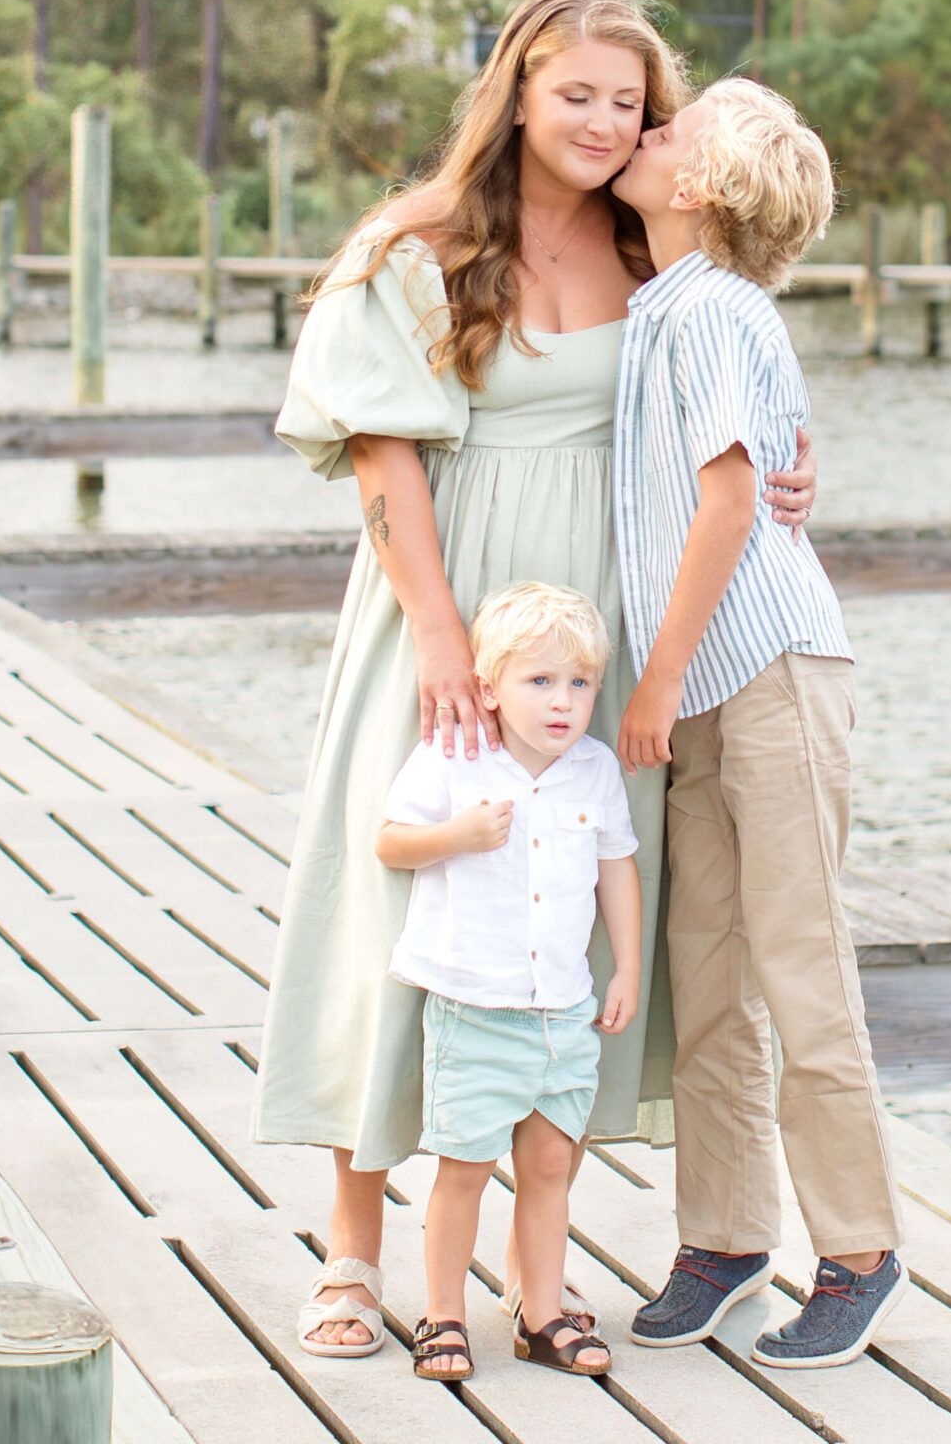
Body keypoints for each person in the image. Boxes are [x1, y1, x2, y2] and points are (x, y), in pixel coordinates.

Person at [257, 0, 818, 1360]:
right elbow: (383, 454)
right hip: (451, 608)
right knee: (407, 900)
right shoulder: (422, 245)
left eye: (629, 103)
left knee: (560, 909)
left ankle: (530, 1264)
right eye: (577, 95)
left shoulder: (660, 252)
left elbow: (737, 408)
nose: (602, 122)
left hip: (604, 623)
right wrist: (439, 629)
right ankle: (350, 1242)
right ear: (516, 90)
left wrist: (795, 462)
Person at [611, 78, 906, 1371]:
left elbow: (730, 507)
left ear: (698, 191)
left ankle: (857, 1250)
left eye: (666, 131)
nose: (643, 131)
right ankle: (725, 1236)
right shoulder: (665, 304)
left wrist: (655, 681)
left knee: (799, 966)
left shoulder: (713, 311)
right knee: (707, 970)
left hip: (768, 667)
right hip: (714, 676)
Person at [377, 582, 640, 1382]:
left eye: (579, 684)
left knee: (552, 1164)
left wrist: (626, 965)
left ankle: (542, 1315)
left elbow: (616, 869)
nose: (562, 702)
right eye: (539, 682)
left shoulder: (593, 770)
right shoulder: (453, 756)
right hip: (474, 1006)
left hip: (562, 1010)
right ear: (490, 689)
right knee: (462, 1165)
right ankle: (443, 1315)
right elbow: (391, 841)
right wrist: (456, 835)